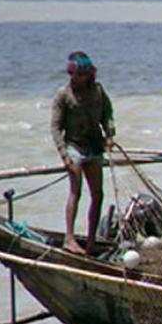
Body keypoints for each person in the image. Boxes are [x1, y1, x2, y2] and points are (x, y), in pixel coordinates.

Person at [50, 51, 115, 255]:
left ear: (87, 74)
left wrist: (110, 134)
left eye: (76, 73)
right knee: (75, 191)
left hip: (94, 146)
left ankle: (91, 241)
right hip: (74, 147)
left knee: (98, 194)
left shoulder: (98, 91)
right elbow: (55, 127)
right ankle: (69, 239)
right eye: (70, 73)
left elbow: (108, 114)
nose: (72, 77)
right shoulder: (63, 94)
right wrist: (64, 154)